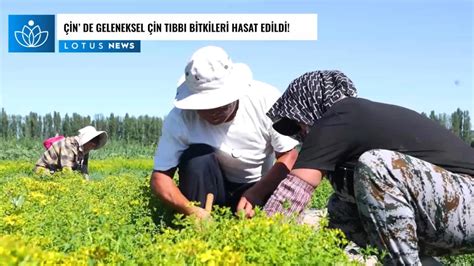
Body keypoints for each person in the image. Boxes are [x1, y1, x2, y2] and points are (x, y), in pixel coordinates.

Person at [262, 70, 474, 265]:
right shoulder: (351, 122)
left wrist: (262, 241)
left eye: (299, 122)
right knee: (343, 201)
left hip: (468, 198)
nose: (302, 131)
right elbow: (339, 224)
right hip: (453, 211)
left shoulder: (341, 114)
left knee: (377, 166)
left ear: (310, 107)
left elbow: (294, 190)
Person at [150, 46, 299, 219]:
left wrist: (256, 193)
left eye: (220, 104)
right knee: (197, 157)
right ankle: (202, 226)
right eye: (204, 106)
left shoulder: (265, 99)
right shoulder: (179, 118)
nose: (213, 111)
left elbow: (289, 155)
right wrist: (190, 210)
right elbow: (160, 178)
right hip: (210, 187)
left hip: (257, 184)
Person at [34, 126, 108, 178]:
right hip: (44, 170)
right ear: (87, 141)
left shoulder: (85, 150)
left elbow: (84, 170)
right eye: (93, 142)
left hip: (57, 172)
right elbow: (67, 171)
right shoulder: (68, 146)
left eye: (96, 143)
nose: (94, 145)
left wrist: (87, 184)